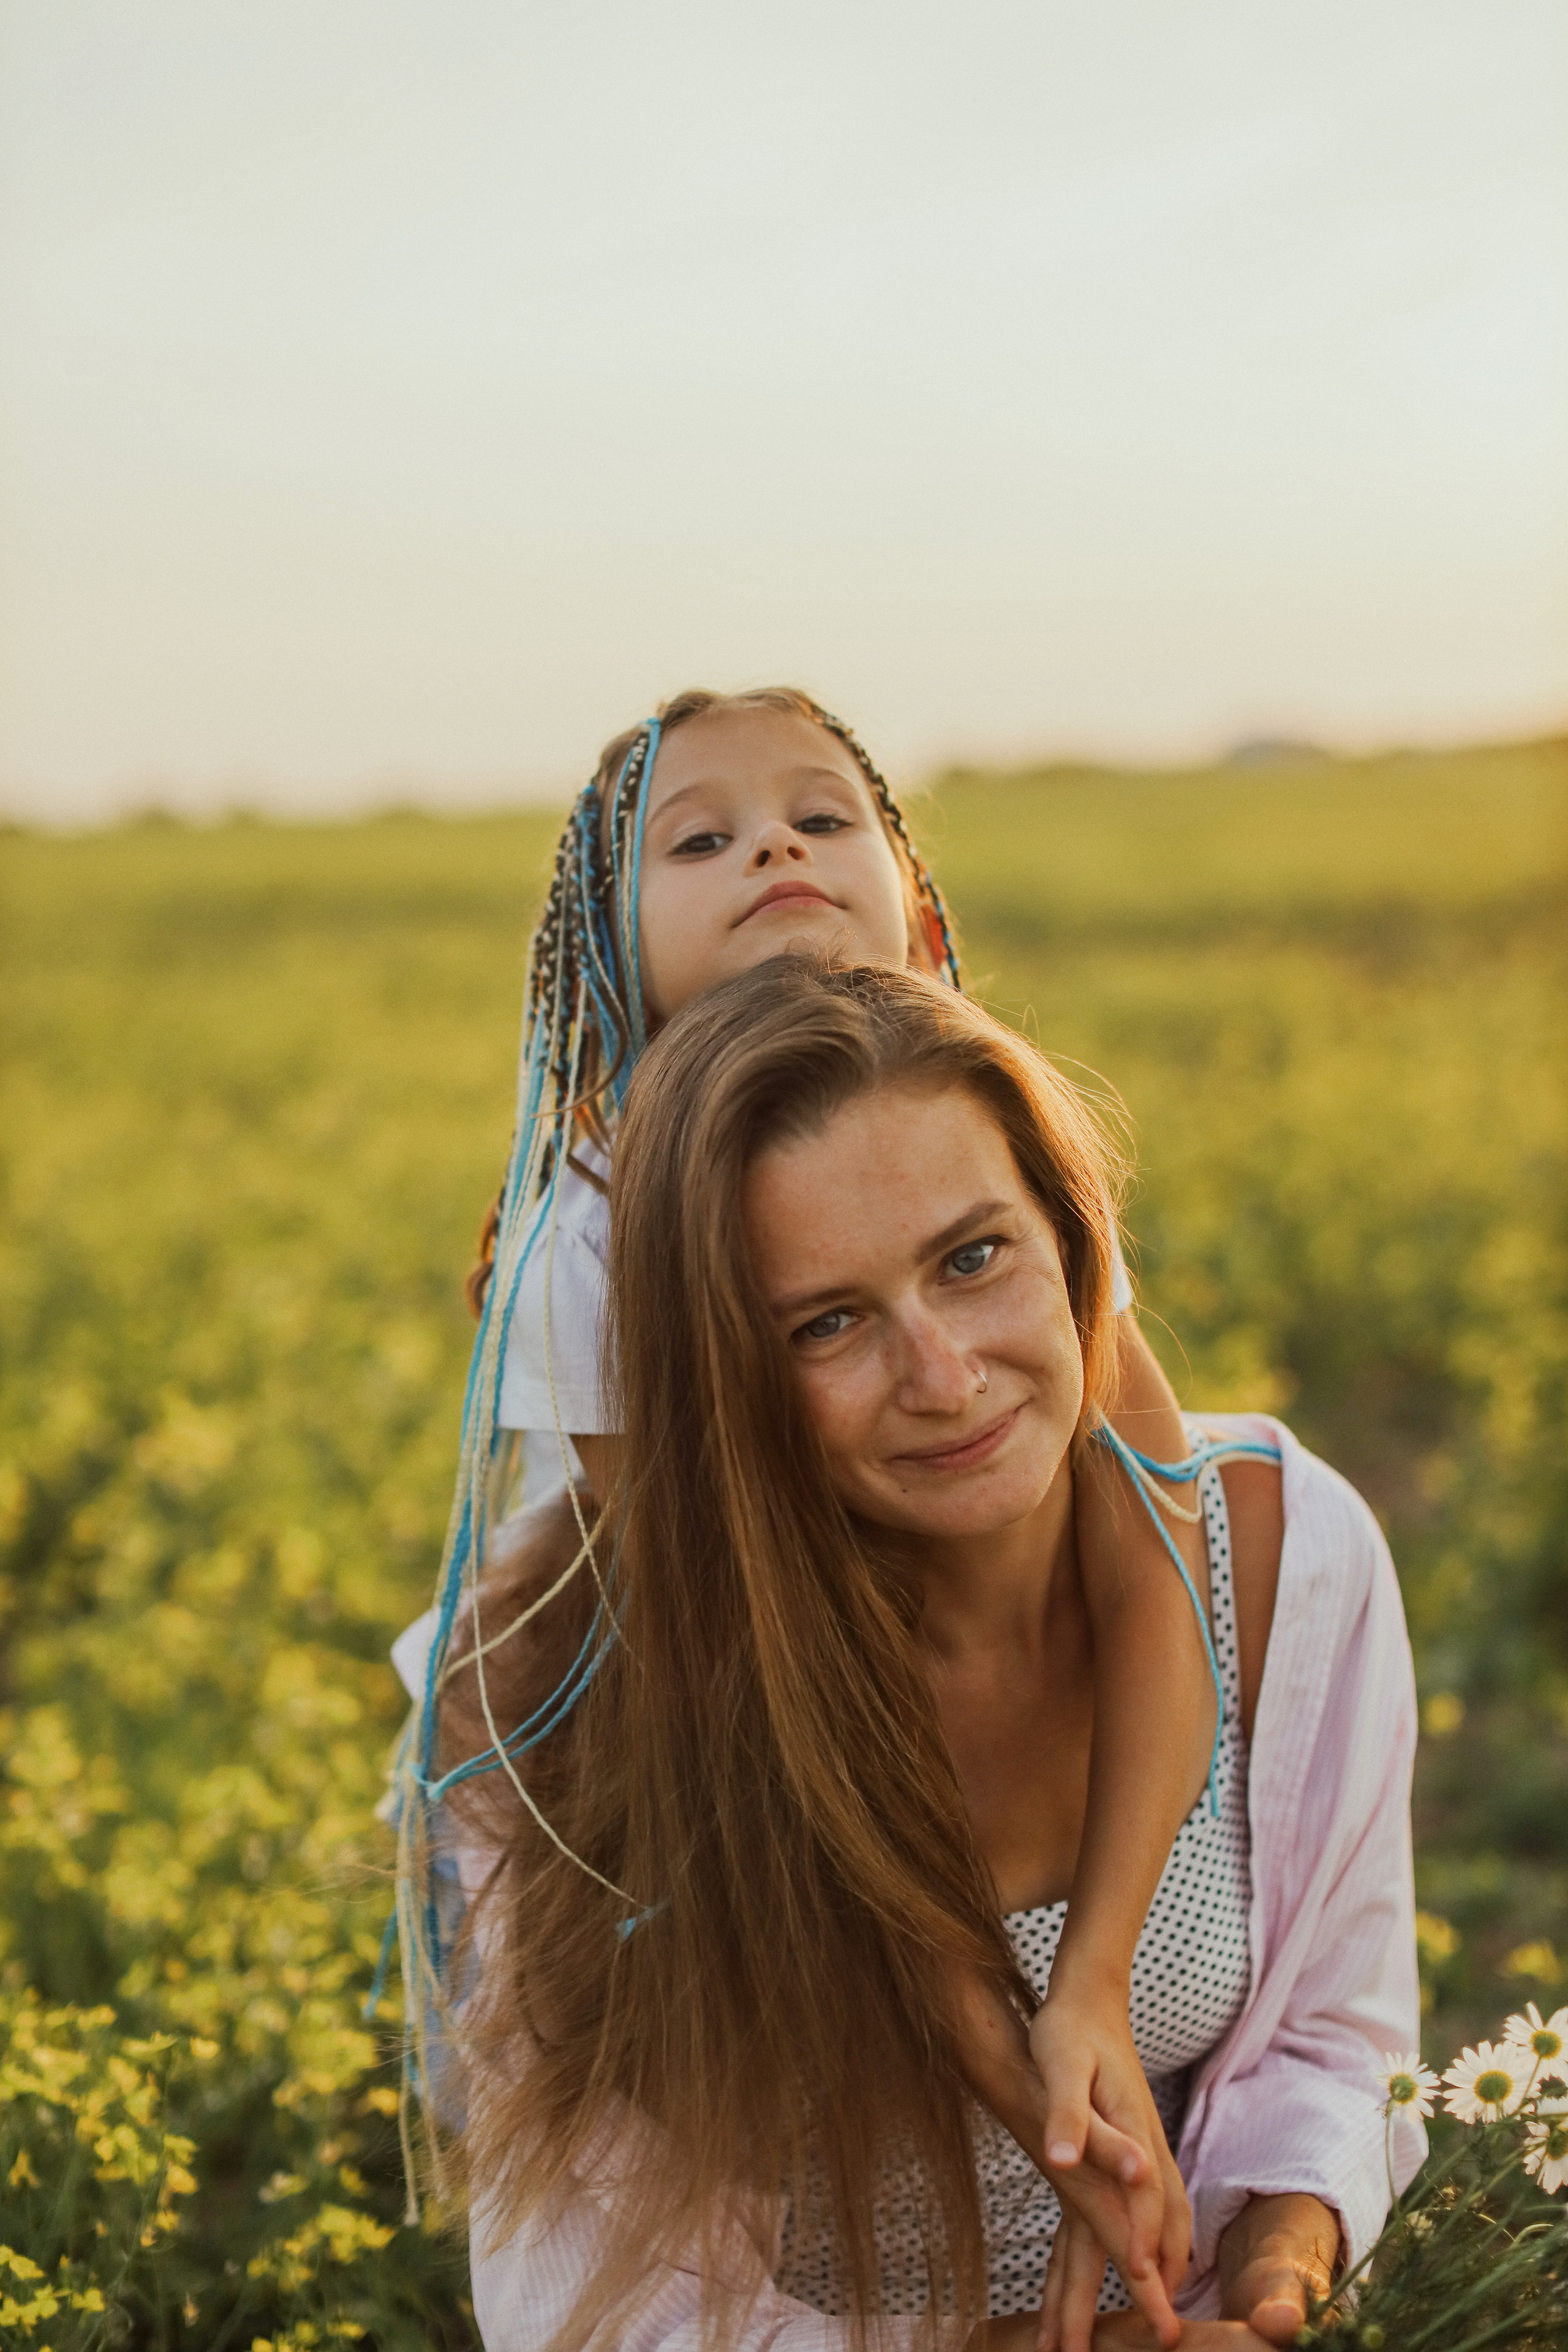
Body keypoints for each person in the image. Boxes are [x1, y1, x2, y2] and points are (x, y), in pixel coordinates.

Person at [392, 689, 1247, 2326]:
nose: (773, 848)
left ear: (912, 894)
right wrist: (1007, 2058)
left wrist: (1090, 1982)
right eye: (699, 839)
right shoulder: (588, 1237)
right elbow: (759, 1663)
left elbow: (1156, 1546)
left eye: (821, 813)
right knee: (585, 2099)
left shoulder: (981, 1123)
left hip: (915, 1641)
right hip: (699, 1682)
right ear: (605, 958)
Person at [440, 957, 1424, 2352]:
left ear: (1073, 1242)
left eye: (973, 1259)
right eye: (826, 1324)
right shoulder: (560, 1685)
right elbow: (591, 2303)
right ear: (722, 1373)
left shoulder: (1283, 1557)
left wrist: (1280, 2262)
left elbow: (1335, 2032)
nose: (946, 1379)